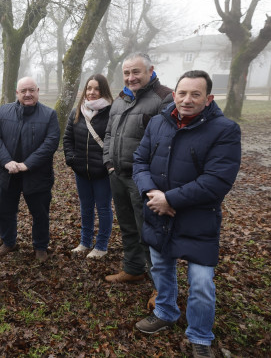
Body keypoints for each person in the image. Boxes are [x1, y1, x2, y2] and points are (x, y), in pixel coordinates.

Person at [132, 71, 241, 358]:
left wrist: (171, 199)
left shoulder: (225, 130)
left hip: (198, 219)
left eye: (195, 94)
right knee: (161, 268)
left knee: (202, 282)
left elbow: (217, 181)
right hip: (158, 213)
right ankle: (166, 312)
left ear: (209, 99)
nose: (187, 99)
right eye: (182, 93)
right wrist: (152, 195)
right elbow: (140, 162)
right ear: (174, 94)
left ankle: (200, 336)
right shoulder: (158, 122)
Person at [103, 53, 173, 284]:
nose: (131, 77)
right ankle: (133, 268)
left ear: (150, 70)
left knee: (150, 231)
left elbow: (168, 142)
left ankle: (159, 286)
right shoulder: (121, 99)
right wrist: (109, 164)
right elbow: (110, 134)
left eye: (136, 72)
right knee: (128, 226)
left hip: (144, 180)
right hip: (118, 175)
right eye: (126, 73)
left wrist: (151, 178)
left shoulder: (164, 98)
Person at [0, 76, 60, 262]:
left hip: (37, 175)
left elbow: (50, 143)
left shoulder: (49, 114)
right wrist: (6, 161)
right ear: (17, 93)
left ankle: (40, 246)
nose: (27, 94)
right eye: (23, 91)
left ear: (37, 91)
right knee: (6, 210)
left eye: (31, 90)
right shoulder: (4, 111)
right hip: (8, 174)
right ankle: (9, 241)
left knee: (40, 213)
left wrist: (27, 164)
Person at [63, 74, 114, 259]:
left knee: (103, 208)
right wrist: (71, 159)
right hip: (81, 171)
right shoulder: (78, 110)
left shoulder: (111, 112)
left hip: (102, 172)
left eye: (96, 89)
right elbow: (68, 138)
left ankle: (101, 245)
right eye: (89, 88)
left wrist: (106, 164)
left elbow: (113, 141)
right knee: (85, 207)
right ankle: (85, 242)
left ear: (103, 91)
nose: (92, 92)